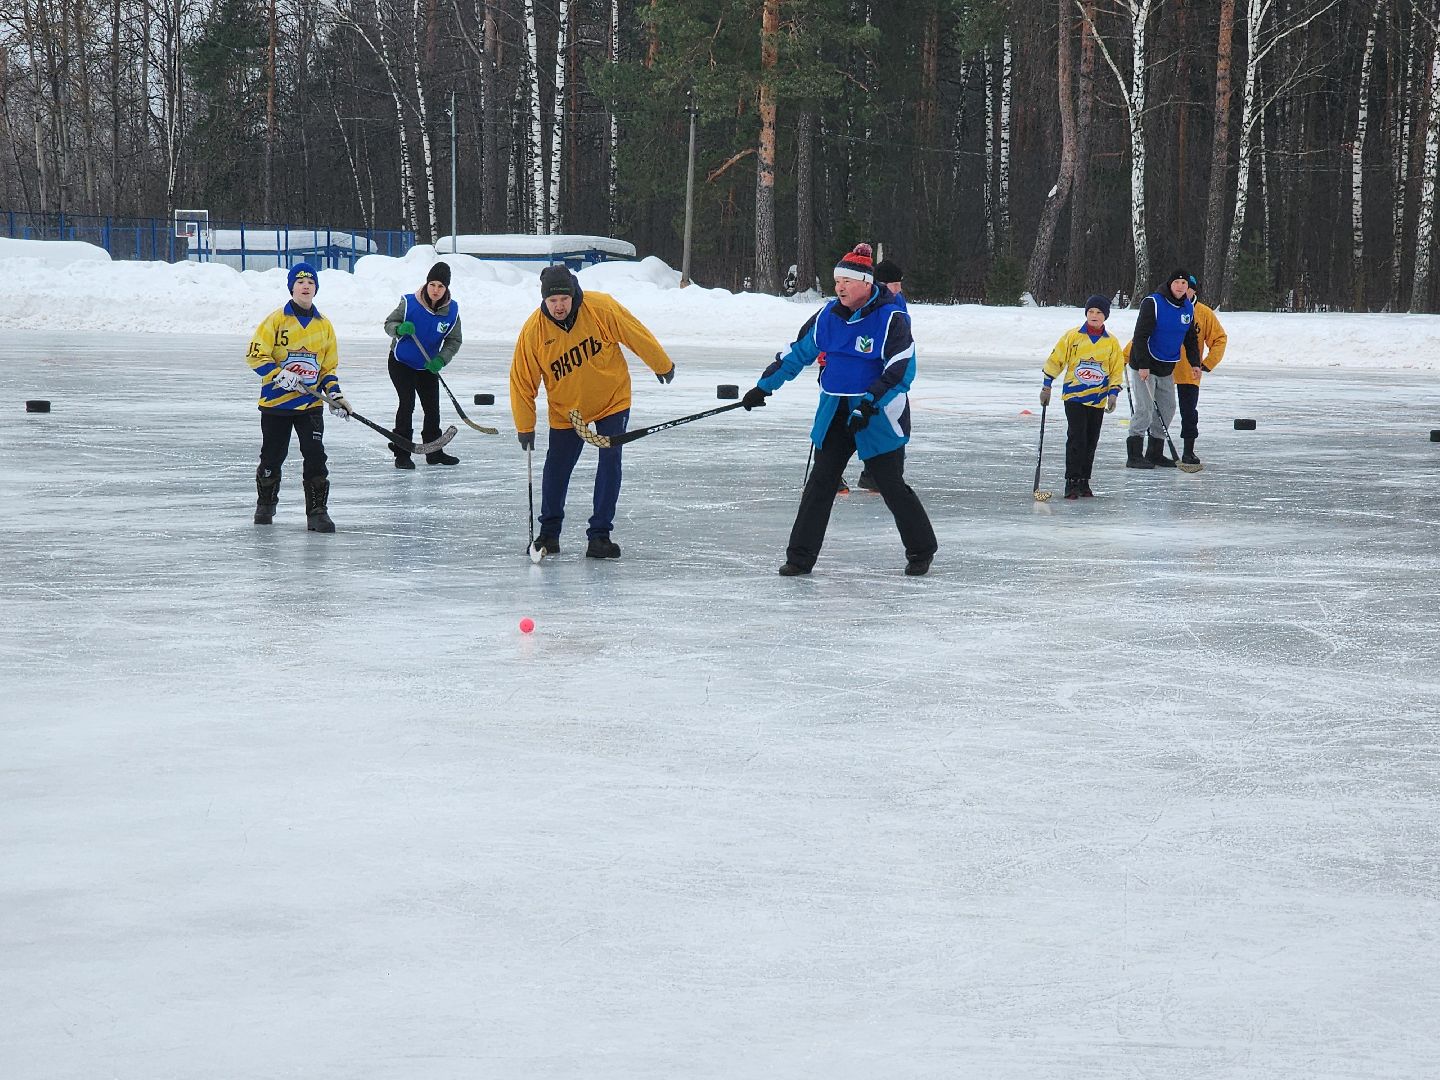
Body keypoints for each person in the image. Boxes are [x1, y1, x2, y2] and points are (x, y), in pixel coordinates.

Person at [741, 243, 937, 577]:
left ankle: (921, 549)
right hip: (835, 410)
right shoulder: (827, 316)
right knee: (820, 483)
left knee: (890, 484)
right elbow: (796, 354)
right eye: (836, 281)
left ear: (866, 283)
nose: (840, 287)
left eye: (847, 280)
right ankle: (800, 557)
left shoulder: (892, 317)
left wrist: (870, 402)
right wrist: (764, 386)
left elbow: (901, 370)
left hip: (876, 415)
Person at [510, 264, 677, 560]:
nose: (559, 306)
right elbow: (522, 381)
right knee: (556, 468)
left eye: (564, 299)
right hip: (567, 410)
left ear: (573, 294)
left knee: (610, 460)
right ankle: (549, 533)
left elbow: (634, 332)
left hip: (612, 398)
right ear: (544, 301)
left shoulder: (600, 307)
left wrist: (660, 363)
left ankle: (599, 535)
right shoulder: (534, 331)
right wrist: (525, 425)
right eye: (552, 301)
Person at [244, 262, 351, 532]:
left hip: (310, 406)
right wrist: (279, 374)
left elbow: (328, 368)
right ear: (292, 287)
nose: (306, 286)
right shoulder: (276, 320)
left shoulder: (324, 325)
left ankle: (317, 512)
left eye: (311, 282)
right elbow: (255, 355)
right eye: (300, 282)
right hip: (276, 405)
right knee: (272, 456)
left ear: (316, 288)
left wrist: (335, 394)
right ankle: (265, 505)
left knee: (316, 456)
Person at [1040, 295, 1125, 498]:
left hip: (1097, 399)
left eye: (1099, 313)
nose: (1094, 316)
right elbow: (1056, 360)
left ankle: (1085, 480)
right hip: (1074, 396)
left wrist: (1113, 393)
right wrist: (1047, 386)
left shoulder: (1111, 342)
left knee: (1091, 439)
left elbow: (1116, 370)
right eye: (1091, 312)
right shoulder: (1073, 336)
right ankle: (1072, 480)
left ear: (1105, 316)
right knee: (1077, 437)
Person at [384, 261, 462, 468]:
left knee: (432, 408)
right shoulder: (409, 303)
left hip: (428, 366)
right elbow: (389, 324)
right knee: (407, 403)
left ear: (446, 288)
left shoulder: (452, 311)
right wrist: (399, 329)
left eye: (441, 286)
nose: (436, 290)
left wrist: (441, 359)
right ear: (427, 284)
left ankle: (434, 453)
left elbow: (454, 340)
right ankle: (401, 453)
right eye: (433, 284)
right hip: (401, 362)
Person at [1125, 268, 1201, 469]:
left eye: (1184, 284)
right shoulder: (1153, 303)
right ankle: (1134, 454)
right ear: (1170, 284)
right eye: (1177, 282)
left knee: (1167, 408)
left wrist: (1195, 363)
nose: (1180, 286)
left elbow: (1190, 338)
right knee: (1145, 409)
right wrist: (1142, 365)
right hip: (1145, 364)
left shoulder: (1187, 307)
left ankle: (1154, 452)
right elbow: (1140, 335)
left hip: (1166, 365)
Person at [1173, 276, 1228, 467]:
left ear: (1193, 290)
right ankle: (1154, 450)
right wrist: (1128, 355)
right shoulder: (1166, 308)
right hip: (1163, 368)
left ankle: (1188, 451)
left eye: (1186, 287)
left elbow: (1220, 338)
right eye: (1177, 285)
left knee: (1188, 413)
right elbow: (1146, 333)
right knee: (1159, 411)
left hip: (1189, 371)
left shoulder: (1204, 313)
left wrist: (1207, 363)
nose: (1181, 290)